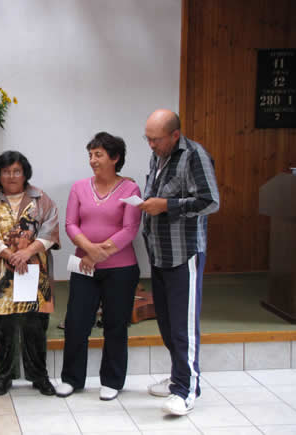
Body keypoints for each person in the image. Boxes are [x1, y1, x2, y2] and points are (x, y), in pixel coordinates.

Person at [140, 109, 219, 416]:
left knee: (183, 326)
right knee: (167, 323)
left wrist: (166, 205)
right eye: (147, 138)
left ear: (175, 135)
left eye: (155, 139)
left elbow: (210, 201)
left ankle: (186, 391)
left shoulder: (195, 156)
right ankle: (178, 377)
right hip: (159, 253)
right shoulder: (160, 156)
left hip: (183, 253)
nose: (151, 145)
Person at [56, 132, 141, 401]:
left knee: (116, 323)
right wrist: (90, 252)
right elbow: (71, 224)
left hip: (121, 269)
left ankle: (113, 380)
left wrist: (97, 253)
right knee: (76, 323)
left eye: (99, 154)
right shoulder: (79, 187)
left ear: (115, 158)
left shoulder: (130, 190)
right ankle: (71, 378)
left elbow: (130, 229)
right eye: (90, 154)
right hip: (84, 266)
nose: (92, 160)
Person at [0, 151, 60, 396]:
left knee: (35, 325)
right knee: (3, 325)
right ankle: (4, 377)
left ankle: (39, 376)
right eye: (6, 171)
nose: (11, 176)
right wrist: (9, 254)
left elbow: (50, 230)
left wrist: (27, 252)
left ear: (25, 174)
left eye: (16, 171)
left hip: (34, 270)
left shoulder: (41, 198)